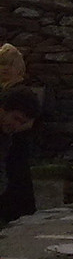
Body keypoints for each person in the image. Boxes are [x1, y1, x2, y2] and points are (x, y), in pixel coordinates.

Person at [0, 86, 41, 225]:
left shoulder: (7, 137)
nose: (16, 125)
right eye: (15, 118)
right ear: (3, 109)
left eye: (22, 122)